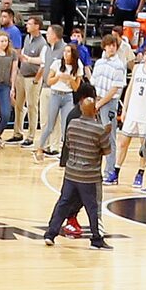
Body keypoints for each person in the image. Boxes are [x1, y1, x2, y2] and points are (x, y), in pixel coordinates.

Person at [43, 95, 110, 250]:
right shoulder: (98, 129)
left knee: (62, 204)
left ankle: (50, 234)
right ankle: (96, 240)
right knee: (93, 209)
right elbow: (106, 150)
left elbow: (69, 143)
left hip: (71, 173)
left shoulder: (72, 124)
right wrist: (106, 133)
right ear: (95, 111)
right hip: (89, 176)